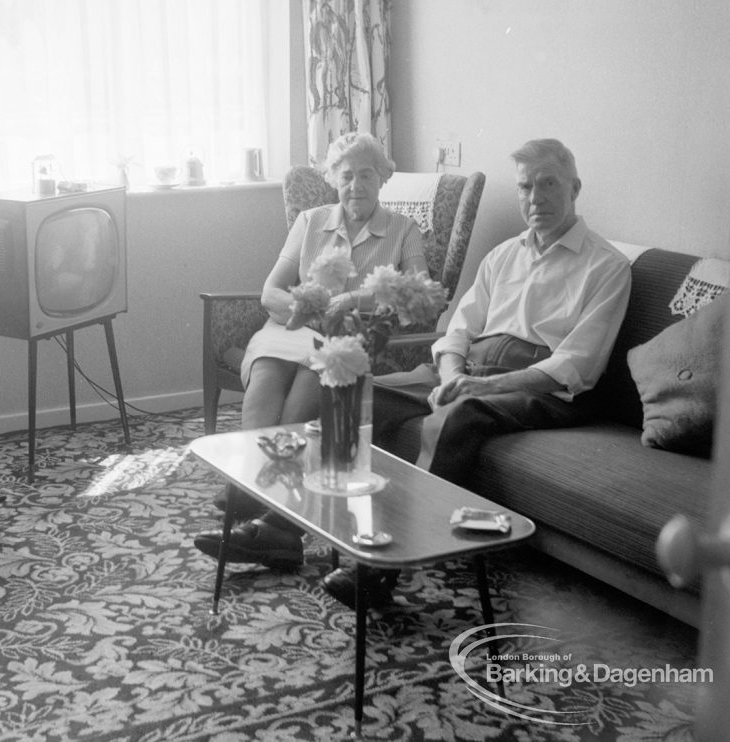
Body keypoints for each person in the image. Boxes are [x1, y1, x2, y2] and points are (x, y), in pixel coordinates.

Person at [203, 138, 634, 611]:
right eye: (526, 187)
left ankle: (380, 570)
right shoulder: (504, 255)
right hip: (464, 369)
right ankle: (286, 531)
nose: (536, 199)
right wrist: (453, 371)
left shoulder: (606, 266)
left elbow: (576, 364)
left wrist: (481, 385)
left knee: (455, 416)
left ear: (575, 187)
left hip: (537, 385)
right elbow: (457, 331)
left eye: (549, 184)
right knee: (349, 394)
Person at [195, 131, 428, 567]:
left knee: (300, 402)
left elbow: (419, 290)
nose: (355, 185)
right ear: (333, 180)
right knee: (264, 380)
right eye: (346, 176)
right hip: (289, 325)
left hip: (346, 338)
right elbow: (271, 291)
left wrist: (351, 303)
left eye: (366, 175)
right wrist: (305, 310)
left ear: (382, 180)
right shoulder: (310, 220)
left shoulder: (403, 230)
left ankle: (274, 523)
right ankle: (260, 498)